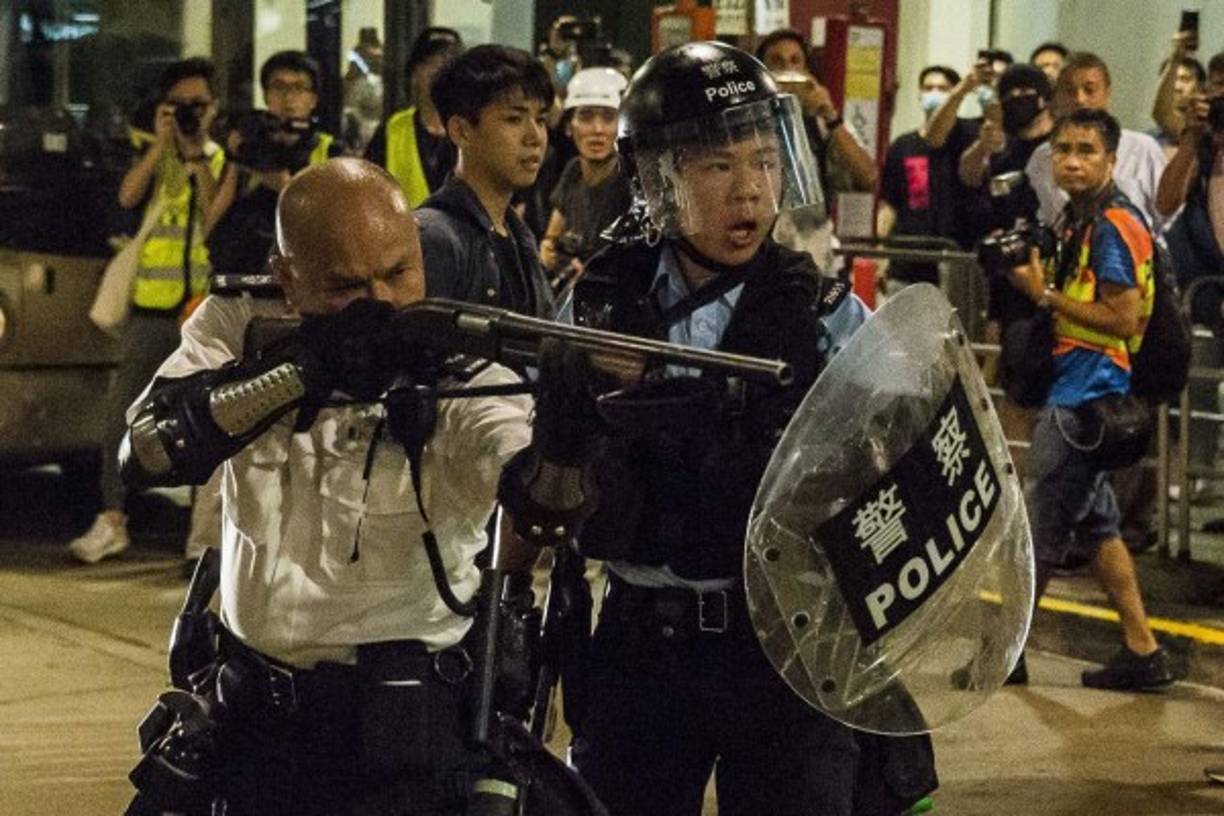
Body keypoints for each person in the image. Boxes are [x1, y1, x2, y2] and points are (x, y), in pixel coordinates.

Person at [568, 41, 936, 816]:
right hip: (642, 645)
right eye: (719, 168)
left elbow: (910, 443)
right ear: (657, 178)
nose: (750, 192)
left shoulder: (824, 315)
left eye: (766, 162)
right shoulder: (602, 309)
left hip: (789, 644)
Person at [117, 159, 545, 814]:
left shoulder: (460, 349)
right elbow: (145, 451)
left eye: (399, 272)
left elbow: (534, 490)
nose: (383, 301)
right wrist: (305, 370)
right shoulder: (240, 322)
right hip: (252, 719)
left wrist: (567, 439)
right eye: (347, 286)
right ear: (288, 278)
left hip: (408, 732)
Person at [1006, 109, 1173, 691]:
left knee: (1040, 528)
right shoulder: (1080, 219)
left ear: (1111, 159)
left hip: (1086, 397)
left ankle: (1009, 652)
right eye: (1063, 149)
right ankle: (1143, 651)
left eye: (1087, 150)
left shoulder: (1111, 226)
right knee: (1098, 527)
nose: (1072, 160)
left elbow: (1124, 318)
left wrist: (1047, 297)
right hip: (1075, 388)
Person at [69, 57, 224, 564]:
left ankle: (200, 538)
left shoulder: (222, 159)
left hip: (201, 309)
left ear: (214, 108)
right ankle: (112, 517)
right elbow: (127, 195)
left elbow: (211, 221)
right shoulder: (155, 159)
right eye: (179, 106)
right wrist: (162, 146)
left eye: (197, 105)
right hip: (152, 306)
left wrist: (197, 154)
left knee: (207, 416)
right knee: (123, 411)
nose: (188, 114)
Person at [416, 45, 556, 318]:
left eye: (540, 120)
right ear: (461, 131)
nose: (535, 136)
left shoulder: (518, 234)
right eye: (514, 119)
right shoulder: (436, 237)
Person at [206, 49, 343, 283]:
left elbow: (334, 228)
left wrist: (284, 186)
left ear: (313, 99)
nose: (288, 97)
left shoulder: (329, 151)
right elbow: (210, 222)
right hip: (239, 275)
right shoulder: (250, 143)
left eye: (299, 88)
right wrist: (236, 155)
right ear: (266, 96)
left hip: (299, 280)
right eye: (279, 87)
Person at [1026, 52, 1167, 229]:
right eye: (1070, 91)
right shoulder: (1041, 156)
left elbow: (1167, 215)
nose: (1080, 99)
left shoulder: (1142, 148)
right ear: (1057, 97)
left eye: (1090, 90)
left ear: (1107, 93)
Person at [877, 64, 979, 290]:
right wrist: (881, 257)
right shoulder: (903, 146)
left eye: (942, 88)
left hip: (951, 260)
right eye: (928, 87)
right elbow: (889, 205)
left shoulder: (967, 136)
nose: (934, 93)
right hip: (906, 262)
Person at [538, 67, 631, 289]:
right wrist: (549, 251)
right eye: (586, 117)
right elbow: (551, 237)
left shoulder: (632, 181)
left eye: (609, 118)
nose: (597, 129)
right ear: (570, 126)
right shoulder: (573, 171)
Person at [755, 28, 878, 196]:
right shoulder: (747, 118)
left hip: (814, 221)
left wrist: (831, 116)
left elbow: (869, 178)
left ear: (805, 71)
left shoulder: (821, 123)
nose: (787, 68)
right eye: (777, 61)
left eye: (795, 61)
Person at [365, 27, 462, 207]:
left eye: (448, 64)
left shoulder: (475, 130)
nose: (439, 72)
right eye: (431, 63)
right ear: (415, 72)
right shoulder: (394, 129)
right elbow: (368, 191)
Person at [1150, 33, 1206, 159]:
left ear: (1200, 88)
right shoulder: (1148, 140)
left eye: (1185, 79)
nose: (1177, 87)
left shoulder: (1204, 130)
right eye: (1172, 81)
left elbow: (1162, 114)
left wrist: (1177, 57)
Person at [342, 26, 384, 153]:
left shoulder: (385, 80)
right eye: (371, 58)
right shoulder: (357, 81)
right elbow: (351, 109)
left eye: (378, 57)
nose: (376, 61)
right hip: (362, 134)